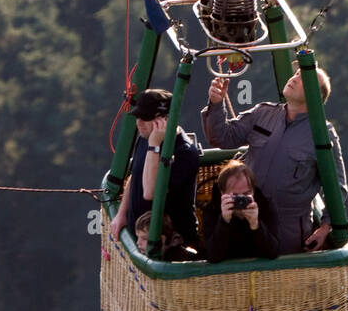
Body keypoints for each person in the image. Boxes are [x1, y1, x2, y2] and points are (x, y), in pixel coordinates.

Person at [201, 66, 347, 255]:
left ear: (316, 95)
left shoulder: (323, 135)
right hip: (242, 220)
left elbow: (338, 187)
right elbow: (221, 138)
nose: (294, 78)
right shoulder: (263, 113)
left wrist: (325, 227)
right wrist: (216, 103)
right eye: (295, 73)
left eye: (303, 78)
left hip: (287, 232)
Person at [110, 89, 200, 248]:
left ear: (165, 120)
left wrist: (154, 146)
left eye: (146, 118)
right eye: (138, 116)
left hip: (170, 246)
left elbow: (150, 192)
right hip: (140, 240)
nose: (139, 122)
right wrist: (122, 213)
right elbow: (135, 176)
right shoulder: (146, 137)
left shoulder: (184, 153)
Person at [201, 161, 279, 263]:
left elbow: (273, 252)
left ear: (253, 190)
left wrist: (256, 225)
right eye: (235, 195)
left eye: (246, 194)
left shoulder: (265, 205)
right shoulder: (212, 210)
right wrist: (224, 222)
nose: (241, 200)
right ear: (222, 193)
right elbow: (212, 256)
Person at [134, 211, 198, 262]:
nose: (138, 242)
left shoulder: (177, 261)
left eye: (144, 238)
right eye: (138, 237)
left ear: (162, 239)